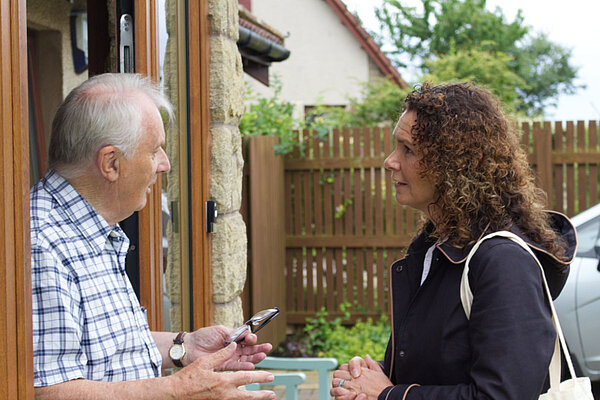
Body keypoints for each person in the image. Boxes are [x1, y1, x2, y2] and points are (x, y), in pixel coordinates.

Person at [31, 73, 275, 400]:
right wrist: (176, 390)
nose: (165, 163)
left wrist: (184, 346)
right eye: (155, 150)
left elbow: (108, 351)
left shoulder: (90, 229)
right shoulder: (40, 245)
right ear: (111, 163)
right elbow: (46, 392)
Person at [330, 82, 577, 400]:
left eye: (409, 150)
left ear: (452, 165)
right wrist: (369, 379)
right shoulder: (435, 248)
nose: (390, 161)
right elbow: (441, 368)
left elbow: (503, 395)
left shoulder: (502, 261)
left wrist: (391, 395)